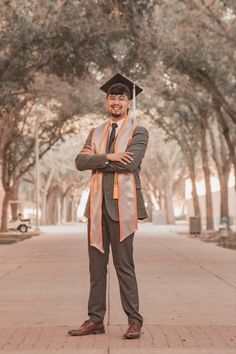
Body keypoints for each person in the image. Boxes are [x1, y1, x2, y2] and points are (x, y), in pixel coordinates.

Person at [68, 73, 149, 339]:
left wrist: (98, 159)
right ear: (107, 101)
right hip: (96, 207)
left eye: (121, 98)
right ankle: (95, 320)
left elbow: (130, 164)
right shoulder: (96, 131)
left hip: (122, 208)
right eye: (112, 97)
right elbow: (80, 162)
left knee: (124, 266)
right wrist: (111, 156)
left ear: (128, 103)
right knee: (96, 268)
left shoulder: (138, 131)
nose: (116, 102)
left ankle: (134, 321)